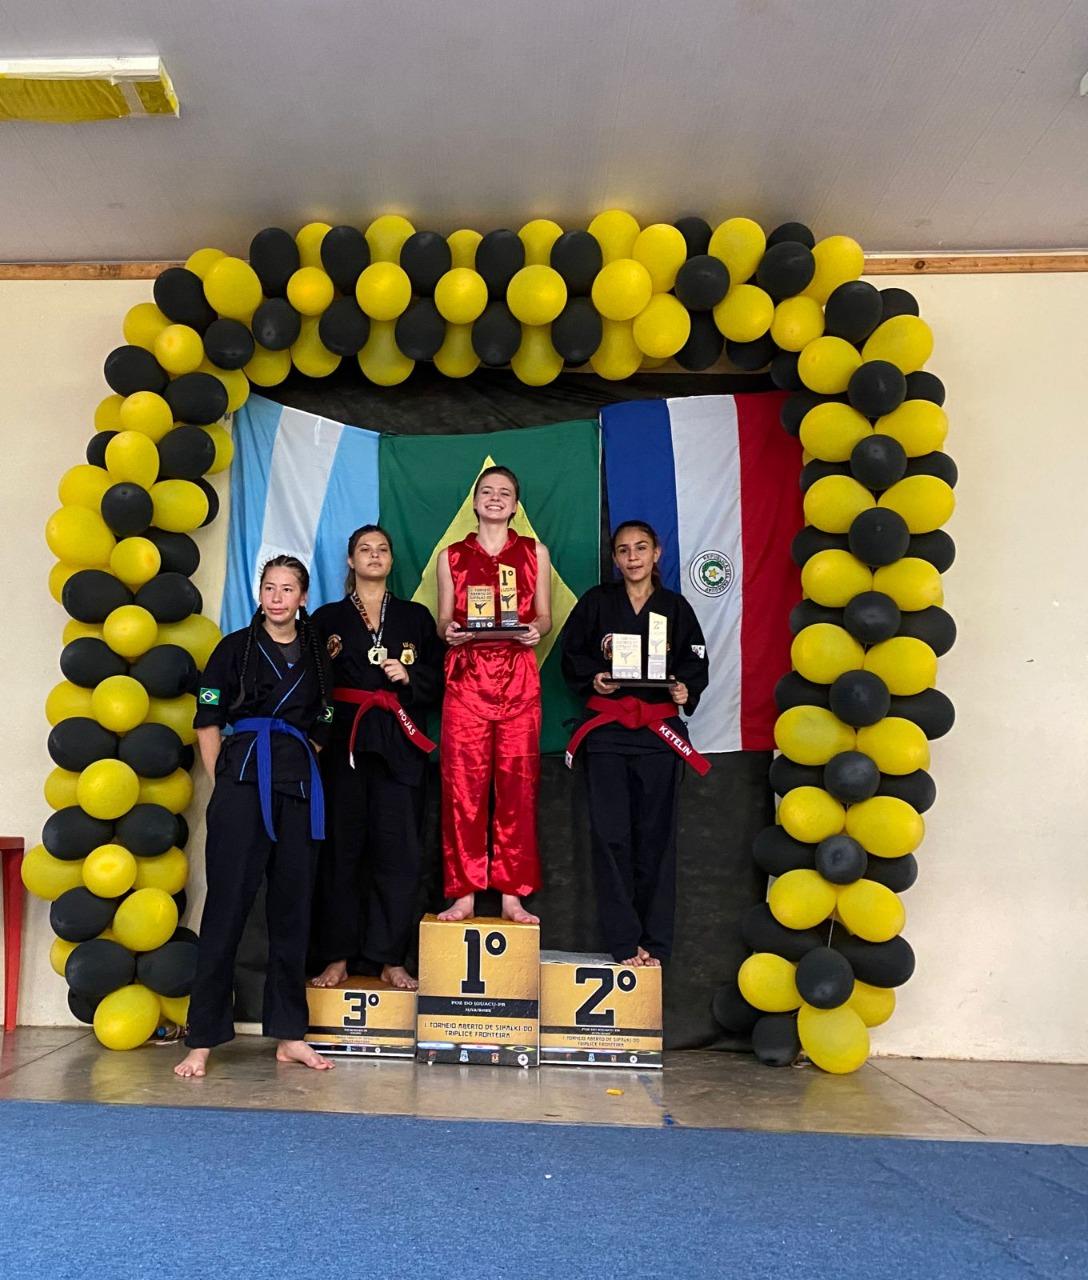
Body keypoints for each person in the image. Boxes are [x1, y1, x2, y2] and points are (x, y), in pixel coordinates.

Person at [175, 555, 334, 1078]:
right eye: (269, 587)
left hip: (298, 787)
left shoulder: (316, 652)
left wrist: (296, 759)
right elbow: (207, 719)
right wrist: (224, 780)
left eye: (287, 589)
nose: (277, 597)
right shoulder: (233, 648)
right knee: (226, 908)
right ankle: (202, 1039)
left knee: (293, 910)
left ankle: (289, 1035)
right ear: (259, 593)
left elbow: (324, 719)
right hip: (242, 783)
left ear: (303, 598)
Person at [560, 520, 710, 967]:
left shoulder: (675, 607)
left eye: (641, 548)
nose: (633, 557)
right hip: (608, 734)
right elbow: (572, 653)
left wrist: (684, 689)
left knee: (657, 840)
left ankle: (656, 942)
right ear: (615, 558)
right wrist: (595, 678)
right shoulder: (597, 603)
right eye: (623, 550)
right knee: (611, 838)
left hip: (658, 736)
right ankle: (625, 942)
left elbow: (695, 661)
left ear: (656, 553)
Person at [308, 524, 444, 993]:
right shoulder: (326, 618)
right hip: (343, 743)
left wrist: (410, 675)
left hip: (399, 744)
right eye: (364, 549)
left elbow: (441, 677)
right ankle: (337, 955)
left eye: (382, 549)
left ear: (391, 560)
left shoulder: (415, 617)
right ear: (350, 560)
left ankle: (389, 958)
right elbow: (310, 683)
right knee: (341, 852)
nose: (373, 555)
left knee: (398, 852)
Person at [436, 465, 551, 924]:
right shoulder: (451, 556)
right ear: (475, 501)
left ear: (516, 505)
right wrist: (451, 632)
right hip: (466, 679)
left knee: (517, 789)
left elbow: (544, 617)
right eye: (487, 491)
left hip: (519, 679)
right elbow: (443, 621)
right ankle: (463, 893)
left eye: (505, 492)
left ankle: (512, 895)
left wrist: (536, 631)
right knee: (462, 788)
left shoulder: (534, 552)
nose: (496, 497)